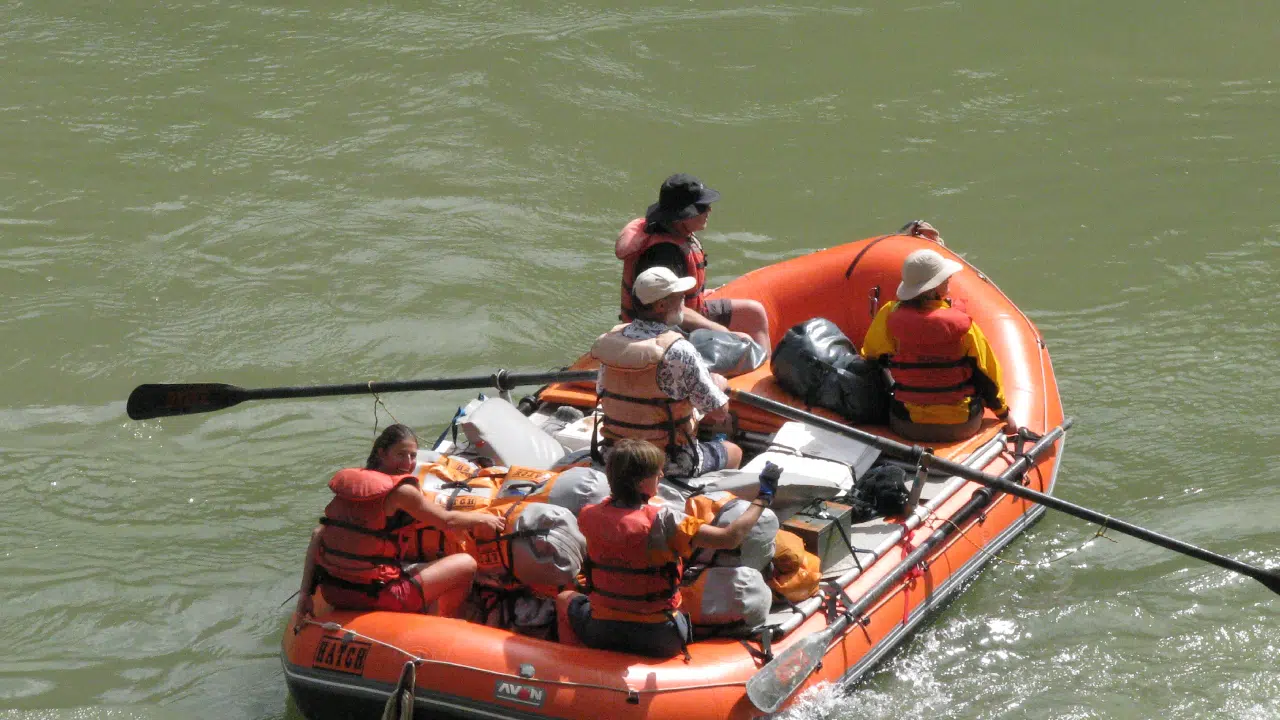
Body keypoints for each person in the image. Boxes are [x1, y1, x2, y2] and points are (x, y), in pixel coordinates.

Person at [554, 440, 781, 658]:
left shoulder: (588, 515)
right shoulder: (666, 520)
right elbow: (730, 538)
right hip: (660, 637)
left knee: (565, 598)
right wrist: (763, 498)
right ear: (641, 482)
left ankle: (577, 659)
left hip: (601, 631)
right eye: (657, 472)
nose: (662, 476)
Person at [293, 424, 505, 619]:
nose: (408, 463)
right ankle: (450, 622)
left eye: (413, 456)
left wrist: (305, 594)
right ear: (382, 453)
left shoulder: (353, 486)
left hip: (335, 593)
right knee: (466, 563)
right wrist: (483, 518)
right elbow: (447, 521)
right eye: (400, 455)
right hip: (381, 595)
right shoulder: (402, 492)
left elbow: (318, 534)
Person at [591, 266, 743, 479]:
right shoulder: (679, 349)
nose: (684, 299)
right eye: (678, 296)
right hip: (665, 460)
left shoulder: (609, 341)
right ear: (661, 305)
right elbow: (718, 412)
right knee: (733, 451)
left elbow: (602, 390)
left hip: (614, 455)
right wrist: (718, 385)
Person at [861, 249, 1017, 443]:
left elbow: (870, 356)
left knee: (883, 367)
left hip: (907, 425)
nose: (949, 282)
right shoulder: (963, 326)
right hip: (962, 425)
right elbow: (987, 375)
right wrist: (1004, 415)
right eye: (945, 280)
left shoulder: (888, 316)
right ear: (933, 290)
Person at [615, 173, 771, 353]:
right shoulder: (663, 254)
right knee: (740, 337)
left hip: (683, 311)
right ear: (683, 216)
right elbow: (667, 310)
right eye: (702, 207)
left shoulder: (674, 232)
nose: (709, 211)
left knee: (754, 312)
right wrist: (721, 331)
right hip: (665, 327)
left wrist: (697, 295)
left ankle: (763, 365)